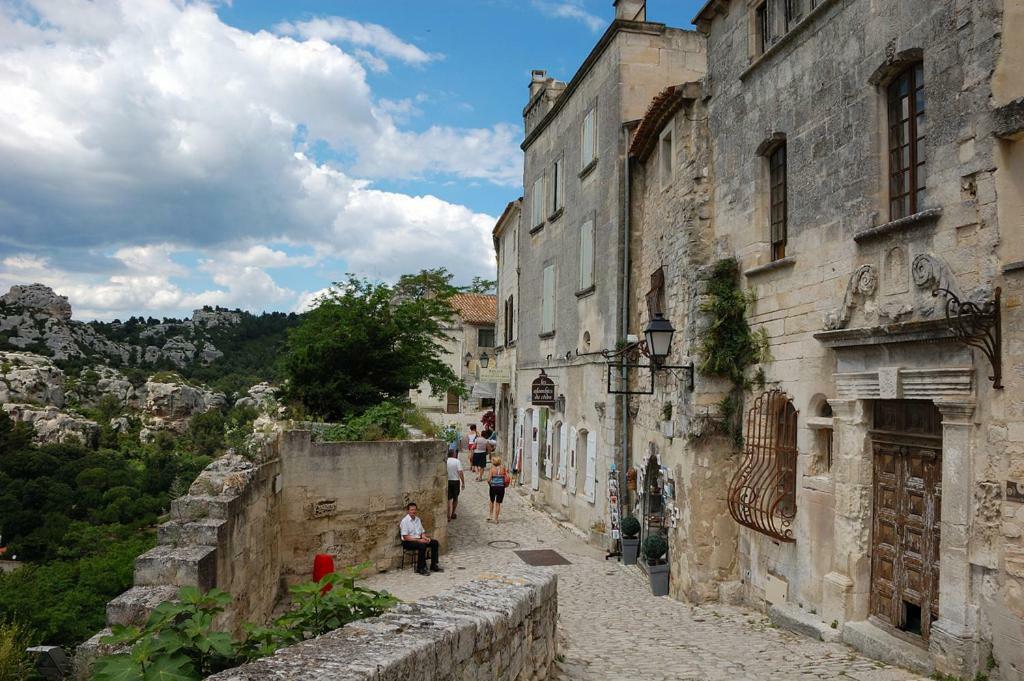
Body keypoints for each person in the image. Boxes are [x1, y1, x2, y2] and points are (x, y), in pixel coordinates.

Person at [400, 502, 443, 576]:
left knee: (435, 542)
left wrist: (425, 538)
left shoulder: (417, 520)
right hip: (408, 541)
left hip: (418, 539)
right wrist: (419, 540)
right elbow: (405, 537)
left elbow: (421, 532)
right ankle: (421, 568)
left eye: (415, 510)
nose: (413, 511)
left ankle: (433, 565)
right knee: (422, 545)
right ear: (408, 511)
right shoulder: (405, 521)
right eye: (411, 510)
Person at [487, 455, 510, 524]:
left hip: (493, 487)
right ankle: (496, 519)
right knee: (498, 503)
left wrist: (490, 484)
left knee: (491, 500)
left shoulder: (492, 469)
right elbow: (507, 477)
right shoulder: (503, 469)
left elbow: (488, 480)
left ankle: (490, 515)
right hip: (501, 487)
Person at [446, 448, 465, 520]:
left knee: (448, 499)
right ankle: (453, 513)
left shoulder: (446, 461)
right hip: (455, 481)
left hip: (447, 481)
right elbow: (460, 472)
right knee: (455, 498)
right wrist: (463, 482)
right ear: (454, 454)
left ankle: (448, 515)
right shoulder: (457, 461)